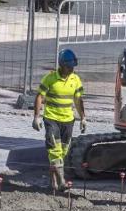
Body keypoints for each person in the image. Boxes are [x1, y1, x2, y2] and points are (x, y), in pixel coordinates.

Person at [33, 48, 86, 192]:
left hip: (68, 120)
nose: (72, 69)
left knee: (62, 151)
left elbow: (78, 99)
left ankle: (53, 181)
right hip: (51, 118)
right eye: (69, 66)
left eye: (73, 66)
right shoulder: (50, 78)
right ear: (62, 65)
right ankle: (62, 181)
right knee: (54, 150)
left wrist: (83, 118)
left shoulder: (75, 79)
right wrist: (36, 117)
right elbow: (39, 97)